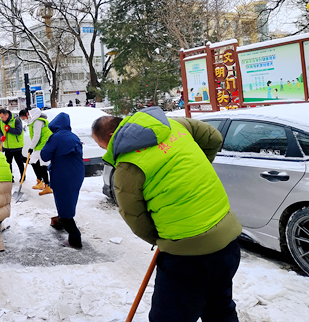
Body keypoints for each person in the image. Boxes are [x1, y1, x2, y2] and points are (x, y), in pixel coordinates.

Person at [91, 107, 242, 322]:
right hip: (227, 242)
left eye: (102, 146)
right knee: (219, 307)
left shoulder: (127, 167)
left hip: (186, 259)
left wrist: (164, 239)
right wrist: (194, 170)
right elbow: (213, 137)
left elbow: (136, 219)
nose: (107, 150)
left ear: (110, 136)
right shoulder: (172, 125)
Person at [41, 112, 85, 249]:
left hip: (63, 175)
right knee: (68, 201)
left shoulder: (56, 137)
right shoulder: (74, 136)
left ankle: (75, 239)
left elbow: (44, 155)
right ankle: (60, 222)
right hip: (77, 173)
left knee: (64, 205)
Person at [19, 108, 52, 195]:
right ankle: (40, 181)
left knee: (42, 165)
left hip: (44, 145)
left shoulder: (38, 121)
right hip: (39, 145)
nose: (24, 120)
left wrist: (31, 147)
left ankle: (47, 186)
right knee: (33, 161)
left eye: (23, 118)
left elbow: (36, 136)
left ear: (27, 115)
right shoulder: (32, 122)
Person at [0, 108, 24, 182]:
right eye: (0, 117)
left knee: (19, 162)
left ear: (7, 115)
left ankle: (22, 176)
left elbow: (19, 131)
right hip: (7, 146)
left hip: (16, 146)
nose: (2, 119)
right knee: (8, 163)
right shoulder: (1, 122)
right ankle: (10, 176)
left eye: (2, 117)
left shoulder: (16, 120)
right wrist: (1, 136)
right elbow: (1, 131)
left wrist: (9, 129)